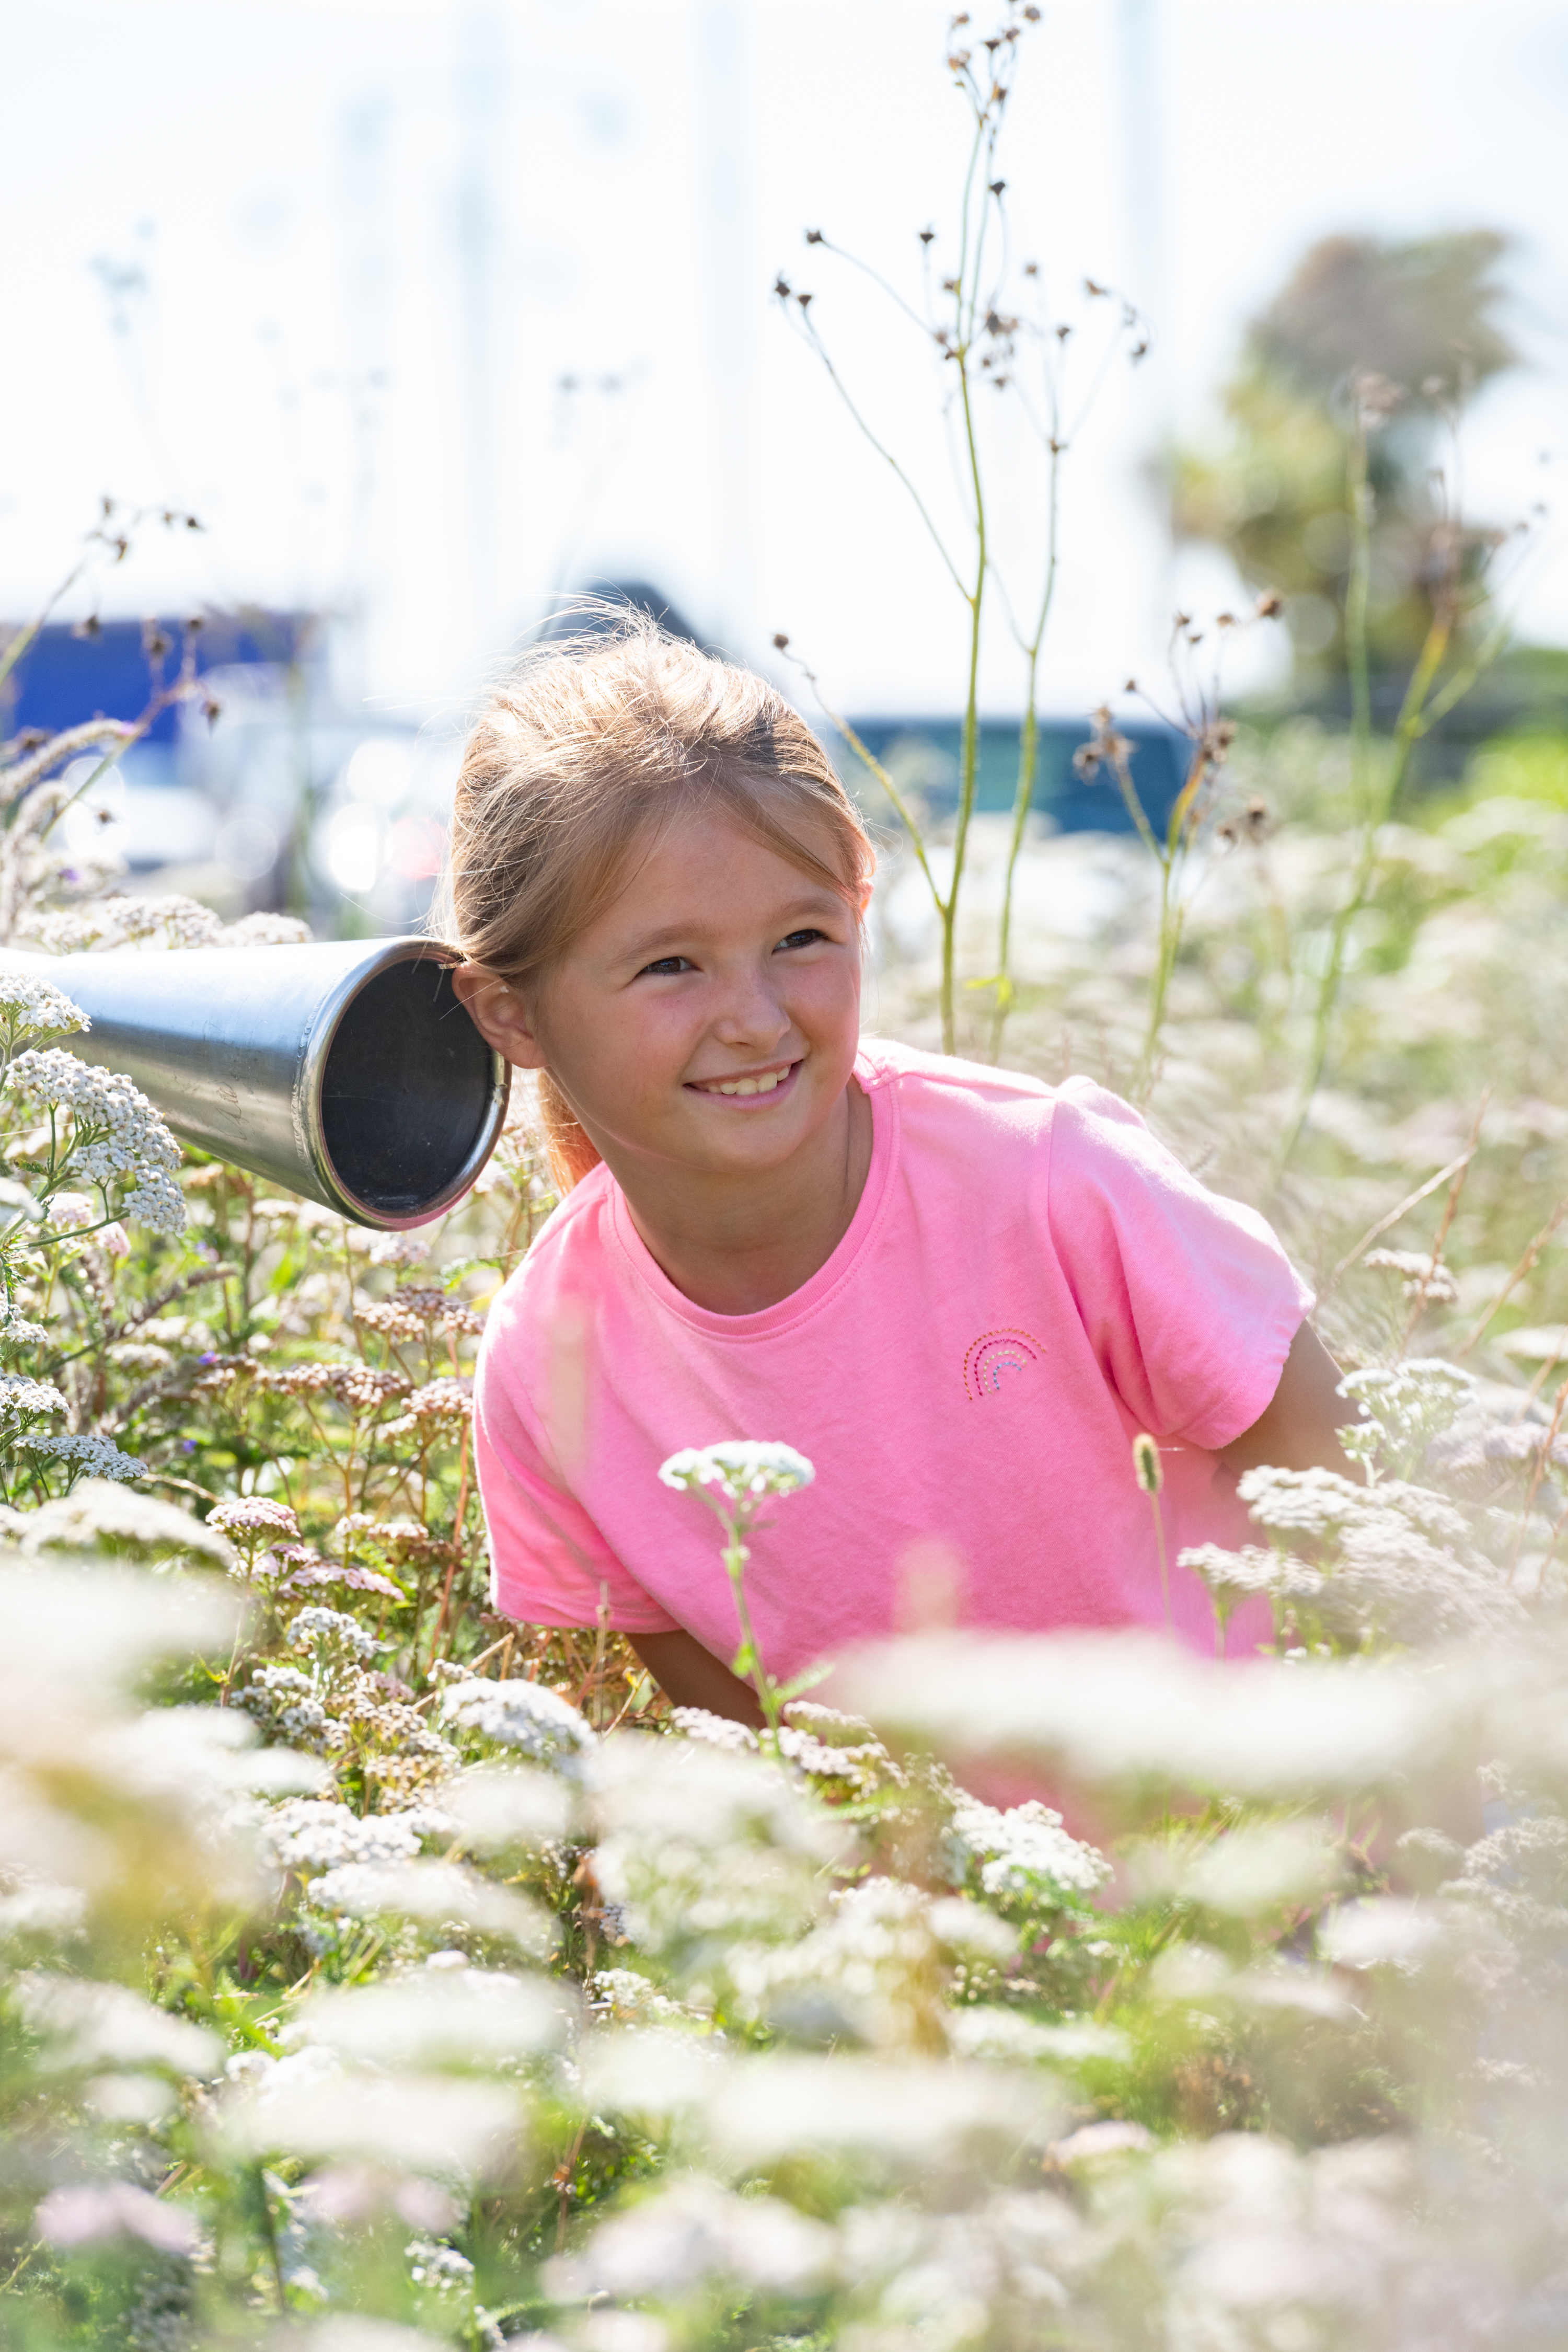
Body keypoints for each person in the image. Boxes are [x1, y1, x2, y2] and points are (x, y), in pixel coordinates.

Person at [443, 613, 1350, 1730]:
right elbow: (772, 1757)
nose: (756, 1017)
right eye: (671, 965)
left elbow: (1357, 1505)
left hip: (1261, 1863)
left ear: (861, 915)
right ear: (509, 1013)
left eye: (802, 941)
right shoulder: (549, 1365)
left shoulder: (1051, 1182)